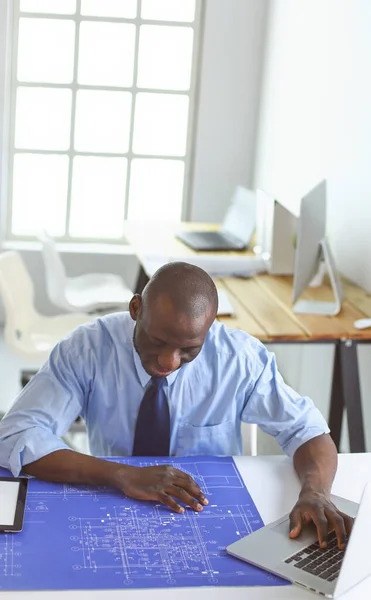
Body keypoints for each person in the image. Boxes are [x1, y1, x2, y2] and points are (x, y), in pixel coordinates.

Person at [0, 262, 352, 549]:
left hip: (209, 508)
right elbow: (16, 434)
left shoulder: (240, 359)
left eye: (189, 350)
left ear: (210, 329)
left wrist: (316, 492)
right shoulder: (87, 350)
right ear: (136, 309)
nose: (168, 362)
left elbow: (307, 430)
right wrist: (120, 474)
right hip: (114, 500)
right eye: (157, 340)